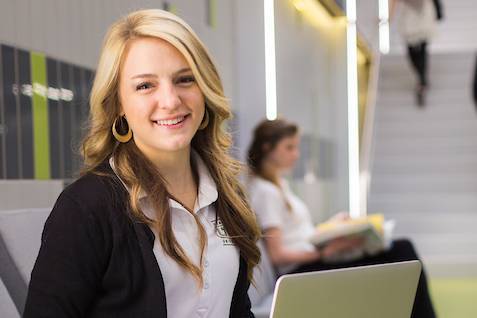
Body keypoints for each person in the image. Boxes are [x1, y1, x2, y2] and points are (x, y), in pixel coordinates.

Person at [24, 9, 260, 318]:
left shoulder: (227, 195)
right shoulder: (86, 207)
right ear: (119, 104)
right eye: (145, 86)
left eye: (185, 79)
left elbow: (237, 310)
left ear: (205, 89)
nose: (171, 100)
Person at [246, 118, 436, 318]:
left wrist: (332, 227)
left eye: (296, 147)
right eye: (289, 147)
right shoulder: (265, 191)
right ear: (268, 148)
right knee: (403, 250)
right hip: (302, 269)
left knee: (402, 250)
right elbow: (278, 255)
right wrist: (324, 253)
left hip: (312, 260)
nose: (296, 154)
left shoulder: (279, 185)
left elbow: (299, 235)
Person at [391, 0, 443, 107]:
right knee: (411, 50)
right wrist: (389, 16)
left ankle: (422, 81)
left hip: (424, 11)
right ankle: (422, 79)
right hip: (409, 12)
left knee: (423, 48)